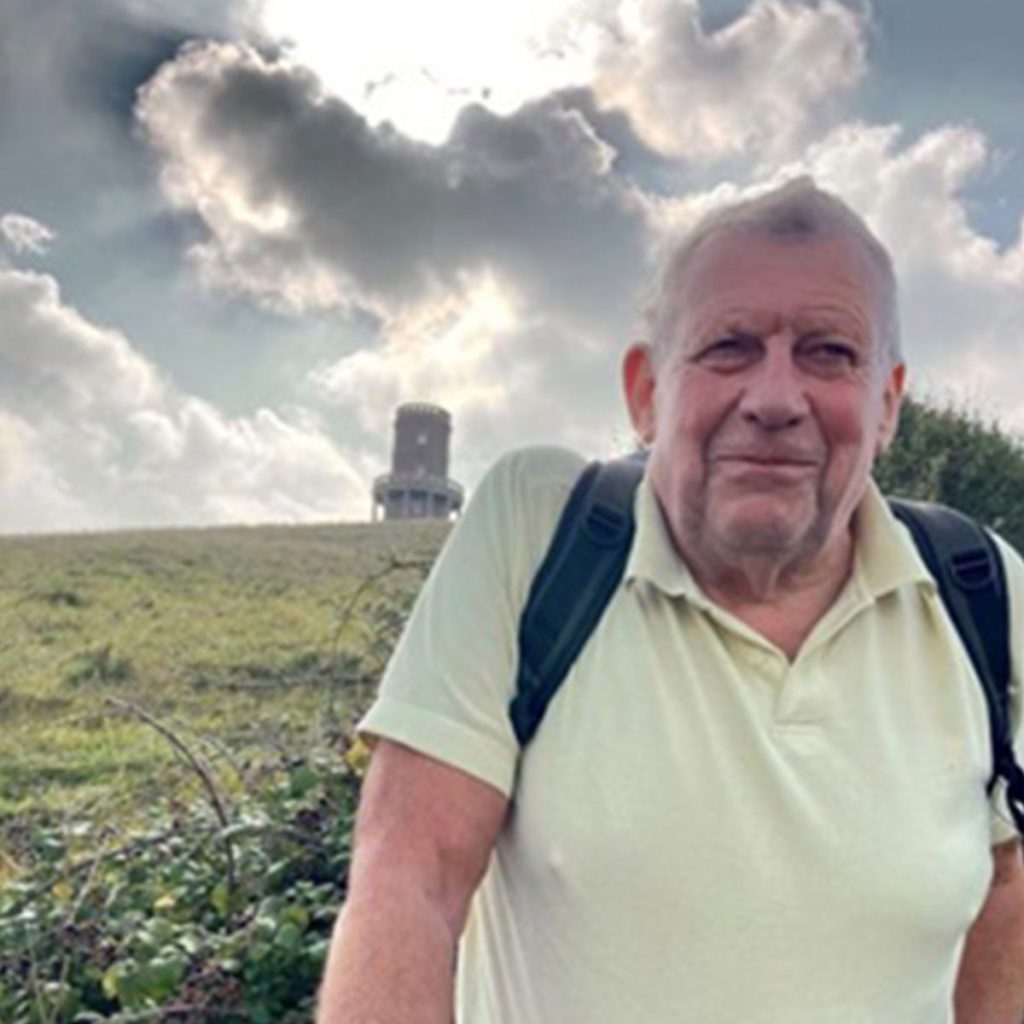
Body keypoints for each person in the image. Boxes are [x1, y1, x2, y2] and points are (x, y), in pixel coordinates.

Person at [315, 178, 1024, 1023]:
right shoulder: (541, 534)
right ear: (646, 393)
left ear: (888, 405)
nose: (774, 400)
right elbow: (412, 875)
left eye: (829, 352)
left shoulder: (983, 589)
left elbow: (1008, 893)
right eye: (729, 346)